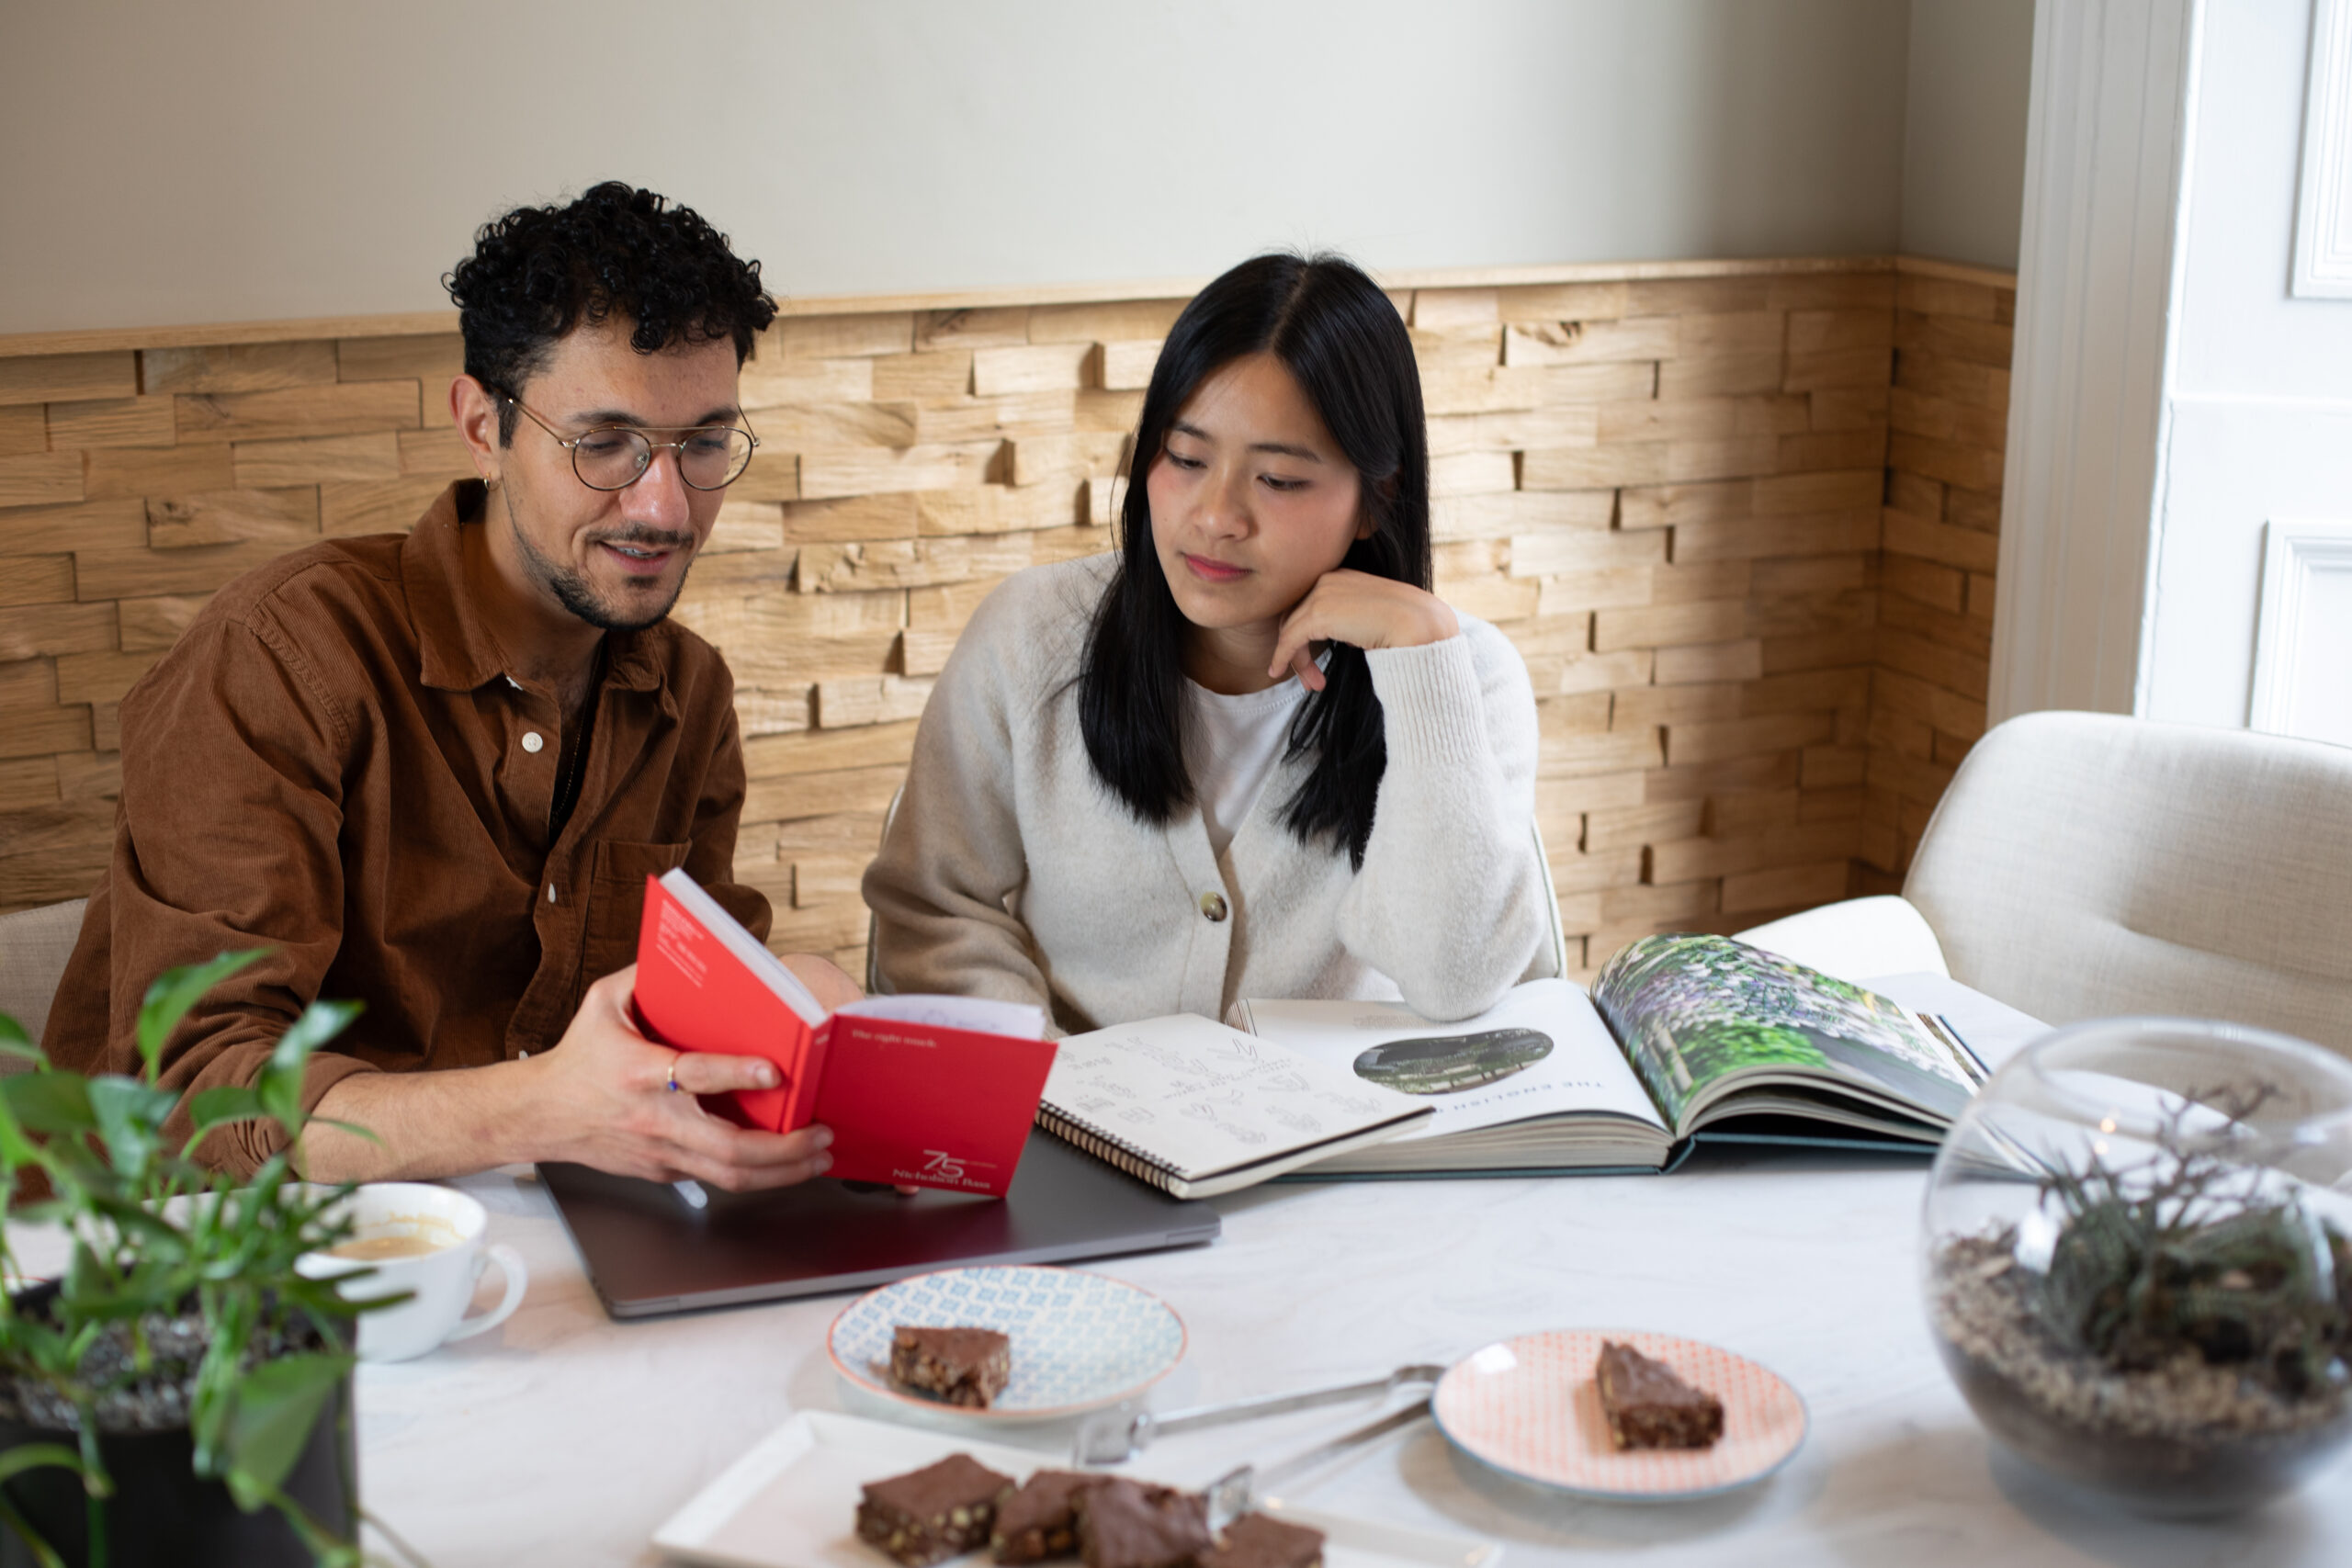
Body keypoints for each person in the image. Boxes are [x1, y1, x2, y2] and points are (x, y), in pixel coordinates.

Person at [44, 183, 862, 1190]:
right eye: (603, 443)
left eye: (701, 444)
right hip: (190, 1264)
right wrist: (545, 1109)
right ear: (482, 425)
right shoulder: (277, 657)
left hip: (524, 1235)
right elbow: (198, 1096)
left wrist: (787, 1012)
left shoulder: (688, 689)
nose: (664, 504)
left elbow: (680, 1018)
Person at [863, 253, 1555, 1034]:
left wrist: (1425, 653)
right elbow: (930, 912)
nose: (1216, 515)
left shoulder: (1467, 676)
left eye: (1280, 480)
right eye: (1186, 459)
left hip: (1349, 1146)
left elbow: (1455, 978)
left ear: (1375, 499)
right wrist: (1058, 1086)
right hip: (1073, 1134)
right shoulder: (1031, 637)